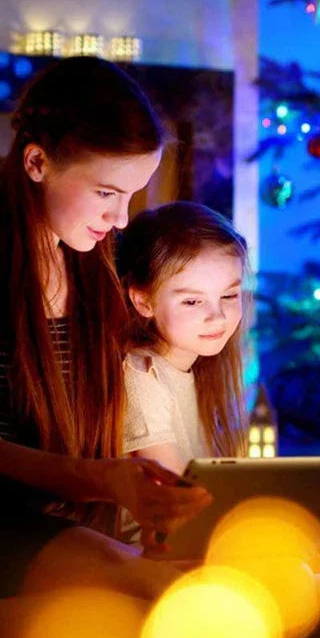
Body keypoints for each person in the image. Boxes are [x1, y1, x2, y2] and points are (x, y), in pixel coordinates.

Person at [0, 57, 211, 638]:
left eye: (132, 196)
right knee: (146, 618)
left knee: (186, 595)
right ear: (36, 163)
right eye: (107, 193)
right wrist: (107, 481)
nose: (120, 218)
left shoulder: (92, 266)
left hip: (35, 526)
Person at [116, 202, 249, 544]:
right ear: (143, 301)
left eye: (229, 295)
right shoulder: (141, 376)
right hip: (150, 554)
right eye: (192, 302)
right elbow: (183, 504)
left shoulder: (201, 373)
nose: (217, 316)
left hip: (198, 541)